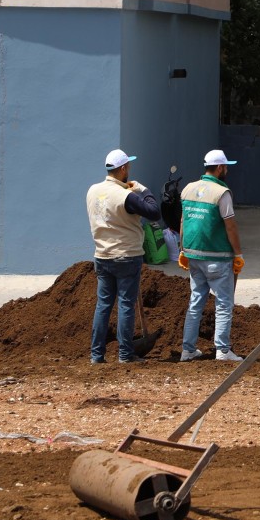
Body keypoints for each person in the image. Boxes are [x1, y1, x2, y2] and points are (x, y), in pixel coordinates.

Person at [86, 149, 161, 364]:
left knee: (103, 305)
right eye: (128, 166)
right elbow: (154, 212)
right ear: (122, 169)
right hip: (126, 256)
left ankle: (96, 355)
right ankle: (125, 354)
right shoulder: (126, 195)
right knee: (126, 305)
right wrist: (142, 190)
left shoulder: (93, 191)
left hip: (102, 255)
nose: (129, 169)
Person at [178, 149, 244, 362]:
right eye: (226, 167)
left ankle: (188, 350)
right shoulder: (221, 193)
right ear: (219, 168)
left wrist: (182, 249)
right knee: (224, 304)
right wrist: (238, 254)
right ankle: (223, 351)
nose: (227, 170)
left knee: (195, 302)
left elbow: (183, 221)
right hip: (217, 257)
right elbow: (230, 226)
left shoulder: (188, 189)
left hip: (194, 256)